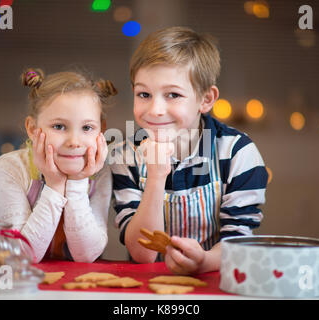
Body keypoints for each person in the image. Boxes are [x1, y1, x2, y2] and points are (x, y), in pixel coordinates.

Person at [109, 26, 268, 274]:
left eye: (173, 94)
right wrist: (156, 176)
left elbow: (238, 242)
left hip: (214, 280)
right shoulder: (124, 156)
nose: (155, 109)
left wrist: (204, 261)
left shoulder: (238, 153)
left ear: (205, 99)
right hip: (146, 286)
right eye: (144, 94)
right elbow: (142, 253)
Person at [0, 68, 117, 263]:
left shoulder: (99, 173)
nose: (74, 141)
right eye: (59, 126)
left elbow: (85, 255)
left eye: (87, 128)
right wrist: (55, 186)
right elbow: (22, 255)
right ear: (33, 129)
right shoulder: (10, 168)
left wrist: (77, 183)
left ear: (101, 130)